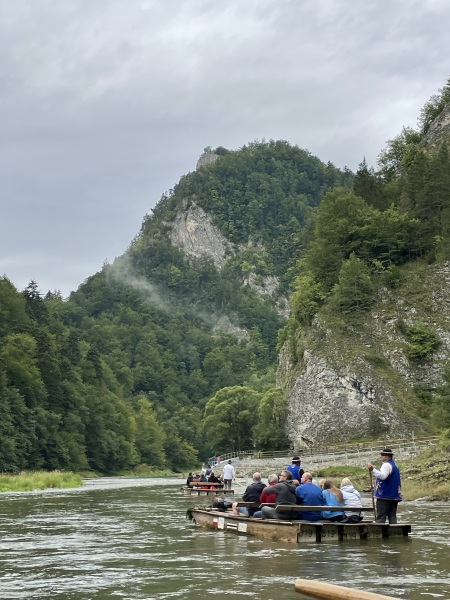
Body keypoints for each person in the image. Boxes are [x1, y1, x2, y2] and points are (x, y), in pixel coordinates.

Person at [368, 447, 402, 524]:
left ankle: (379, 532)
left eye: (383, 455)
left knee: (381, 516)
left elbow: (383, 476)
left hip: (385, 495)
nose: (381, 456)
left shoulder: (386, 465)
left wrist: (373, 470)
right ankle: (394, 531)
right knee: (392, 516)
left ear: (387, 456)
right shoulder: (394, 465)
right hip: (393, 495)